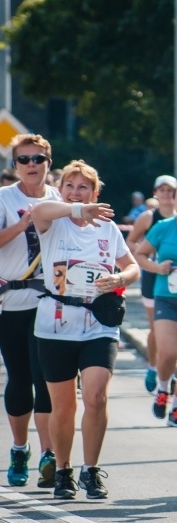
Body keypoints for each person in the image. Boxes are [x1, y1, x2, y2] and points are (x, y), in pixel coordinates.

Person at [31, 160, 139, 500]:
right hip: (55, 324)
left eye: (84, 187)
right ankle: (64, 470)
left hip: (98, 324)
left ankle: (91, 470)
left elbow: (132, 265)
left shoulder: (107, 229)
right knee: (63, 406)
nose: (76, 192)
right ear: (61, 190)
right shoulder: (53, 221)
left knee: (96, 396)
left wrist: (120, 278)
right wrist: (76, 208)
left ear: (96, 193)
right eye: (70, 186)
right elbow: (39, 209)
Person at [0, 134, 58, 488]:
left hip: (51, 302)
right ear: (15, 166)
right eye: (24, 160)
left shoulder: (60, 198)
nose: (32, 165)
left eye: (38, 158)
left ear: (49, 162)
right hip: (13, 303)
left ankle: (49, 454)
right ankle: (20, 448)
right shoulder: (5, 199)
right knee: (20, 379)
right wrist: (22, 225)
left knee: (48, 381)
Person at [133, 180, 177, 428]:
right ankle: (163, 389)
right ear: (173, 201)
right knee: (169, 353)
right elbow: (140, 254)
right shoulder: (162, 227)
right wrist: (156, 267)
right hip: (167, 297)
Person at [126, 175, 177, 392]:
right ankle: (153, 366)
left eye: (170, 190)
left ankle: (169, 371)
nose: (166, 193)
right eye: (162, 190)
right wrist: (146, 255)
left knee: (175, 332)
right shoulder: (148, 217)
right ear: (155, 192)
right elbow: (130, 241)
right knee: (157, 328)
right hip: (153, 278)